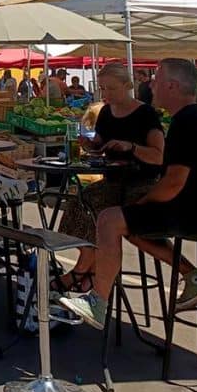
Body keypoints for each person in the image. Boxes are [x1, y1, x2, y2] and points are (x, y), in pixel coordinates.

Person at [58, 59, 197, 329]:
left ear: (172, 86)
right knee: (100, 211)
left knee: (110, 219)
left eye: (156, 79)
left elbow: (173, 182)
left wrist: (140, 206)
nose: (150, 85)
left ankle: (97, 300)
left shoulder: (185, 122)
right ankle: (191, 278)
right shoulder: (193, 117)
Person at [55, 63, 165, 292]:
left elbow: (158, 156)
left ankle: (82, 271)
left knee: (97, 211)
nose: (105, 94)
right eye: (102, 89)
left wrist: (131, 147)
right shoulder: (105, 112)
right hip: (113, 181)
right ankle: (88, 267)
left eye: (111, 89)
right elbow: (102, 144)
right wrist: (92, 145)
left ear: (127, 86)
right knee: (78, 205)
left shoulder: (145, 113)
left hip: (141, 183)